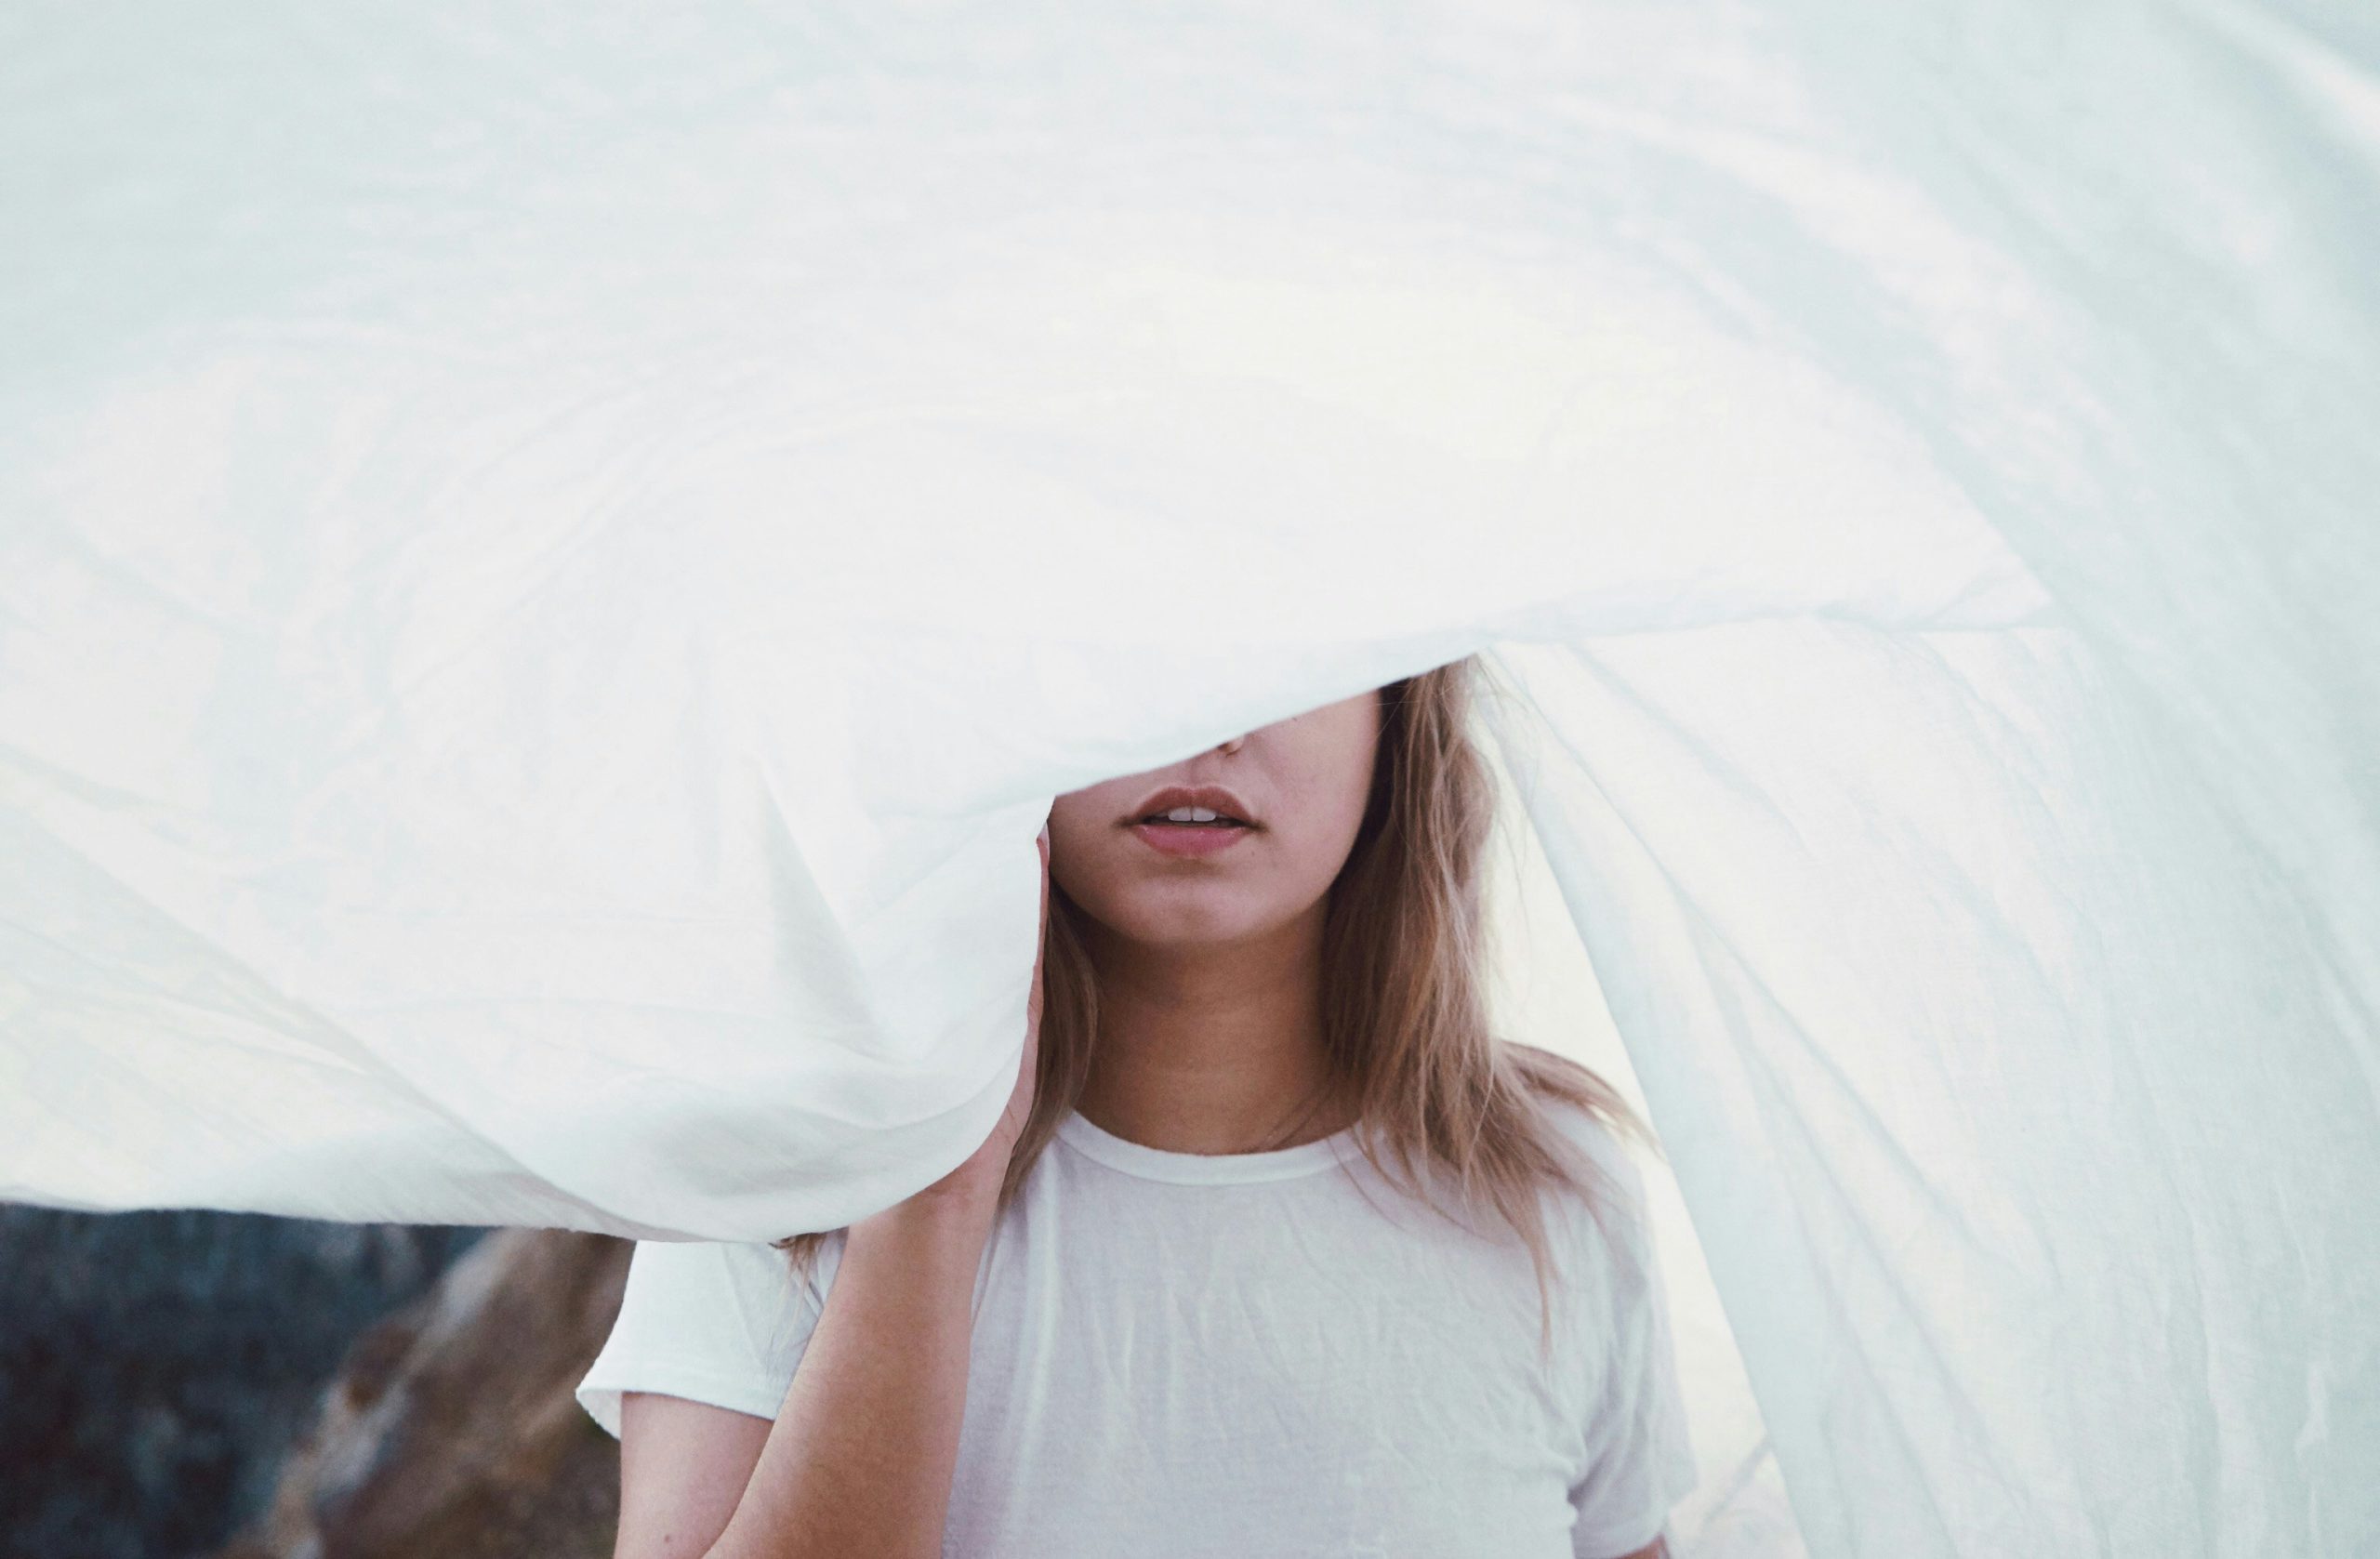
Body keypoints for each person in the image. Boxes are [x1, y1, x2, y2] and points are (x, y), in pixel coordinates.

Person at [576, 656, 1699, 1557]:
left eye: (1284, 647)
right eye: (1129, 638)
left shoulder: (1549, 1186)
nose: (1203, 718)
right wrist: (927, 1205)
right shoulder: (783, 1174)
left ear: (1397, 714)